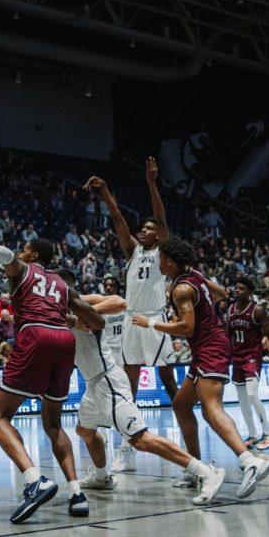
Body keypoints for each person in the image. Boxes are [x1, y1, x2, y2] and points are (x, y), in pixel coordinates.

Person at [0, 235, 104, 523]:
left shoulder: (24, 269)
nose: (20, 253)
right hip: (65, 341)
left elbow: (6, 255)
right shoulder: (62, 284)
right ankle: (76, 492)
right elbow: (97, 321)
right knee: (54, 424)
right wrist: (70, 320)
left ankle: (34, 479)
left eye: (25, 250)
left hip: (35, 335)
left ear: (32, 257)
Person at [57, 269, 226, 506]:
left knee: (141, 440)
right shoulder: (53, 311)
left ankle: (206, 472)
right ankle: (102, 477)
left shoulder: (81, 303)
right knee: (84, 431)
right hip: (92, 384)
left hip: (108, 381)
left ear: (64, 287)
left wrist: (84, 316)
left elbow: (119, 302)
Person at [132, 237, 269, 499]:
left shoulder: (180, 289)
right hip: (206, 347)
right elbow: (220, 294)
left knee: (211, 409)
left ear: (170, 261)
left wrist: (150, 323)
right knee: (181, 405)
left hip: (210, 347)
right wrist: (198, 306)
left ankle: (249, 460)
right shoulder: (193, 275)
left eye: (161, 258)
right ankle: (196, 467)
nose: (158, 262)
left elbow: (187, 328)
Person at [84, 158, 178, 473]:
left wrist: (151, 182)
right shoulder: (133, 251)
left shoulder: (163, 252)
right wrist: (106, 190)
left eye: (150, 227)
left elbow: (161, 218)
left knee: (168, 381)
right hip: (131, 321)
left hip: (154, 319)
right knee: (130, 384)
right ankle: (128, 444)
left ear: (159, 234)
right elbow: (118, 217)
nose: (145, 228)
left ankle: (187, 436)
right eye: (145, 227)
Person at [228, 278, 269, 450]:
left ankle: (267, 432)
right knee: (242, 399)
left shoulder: (257, 310)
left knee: (252, 394)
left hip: (252, 356)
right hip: (236, 358)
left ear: (249, 292)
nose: (237, 290)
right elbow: (227, 336)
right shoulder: (230, 310)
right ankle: (253, 434)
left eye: (241, 288)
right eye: (236, 287)